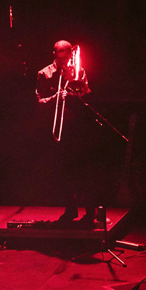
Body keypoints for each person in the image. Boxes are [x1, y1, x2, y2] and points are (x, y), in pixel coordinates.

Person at [36, 40, 96, 223]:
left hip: (78, 127)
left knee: (84, 171)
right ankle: (71, 210)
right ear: (54, 54)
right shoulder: (44, 73)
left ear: (71, 54)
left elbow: (87, 94)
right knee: (65, 173)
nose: (65, 61)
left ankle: (90, 211)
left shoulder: (79, 71)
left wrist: (73, 95)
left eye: (67, 56)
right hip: (58, 129)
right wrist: (56, 97)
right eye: (60, 57)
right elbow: (39, 102)